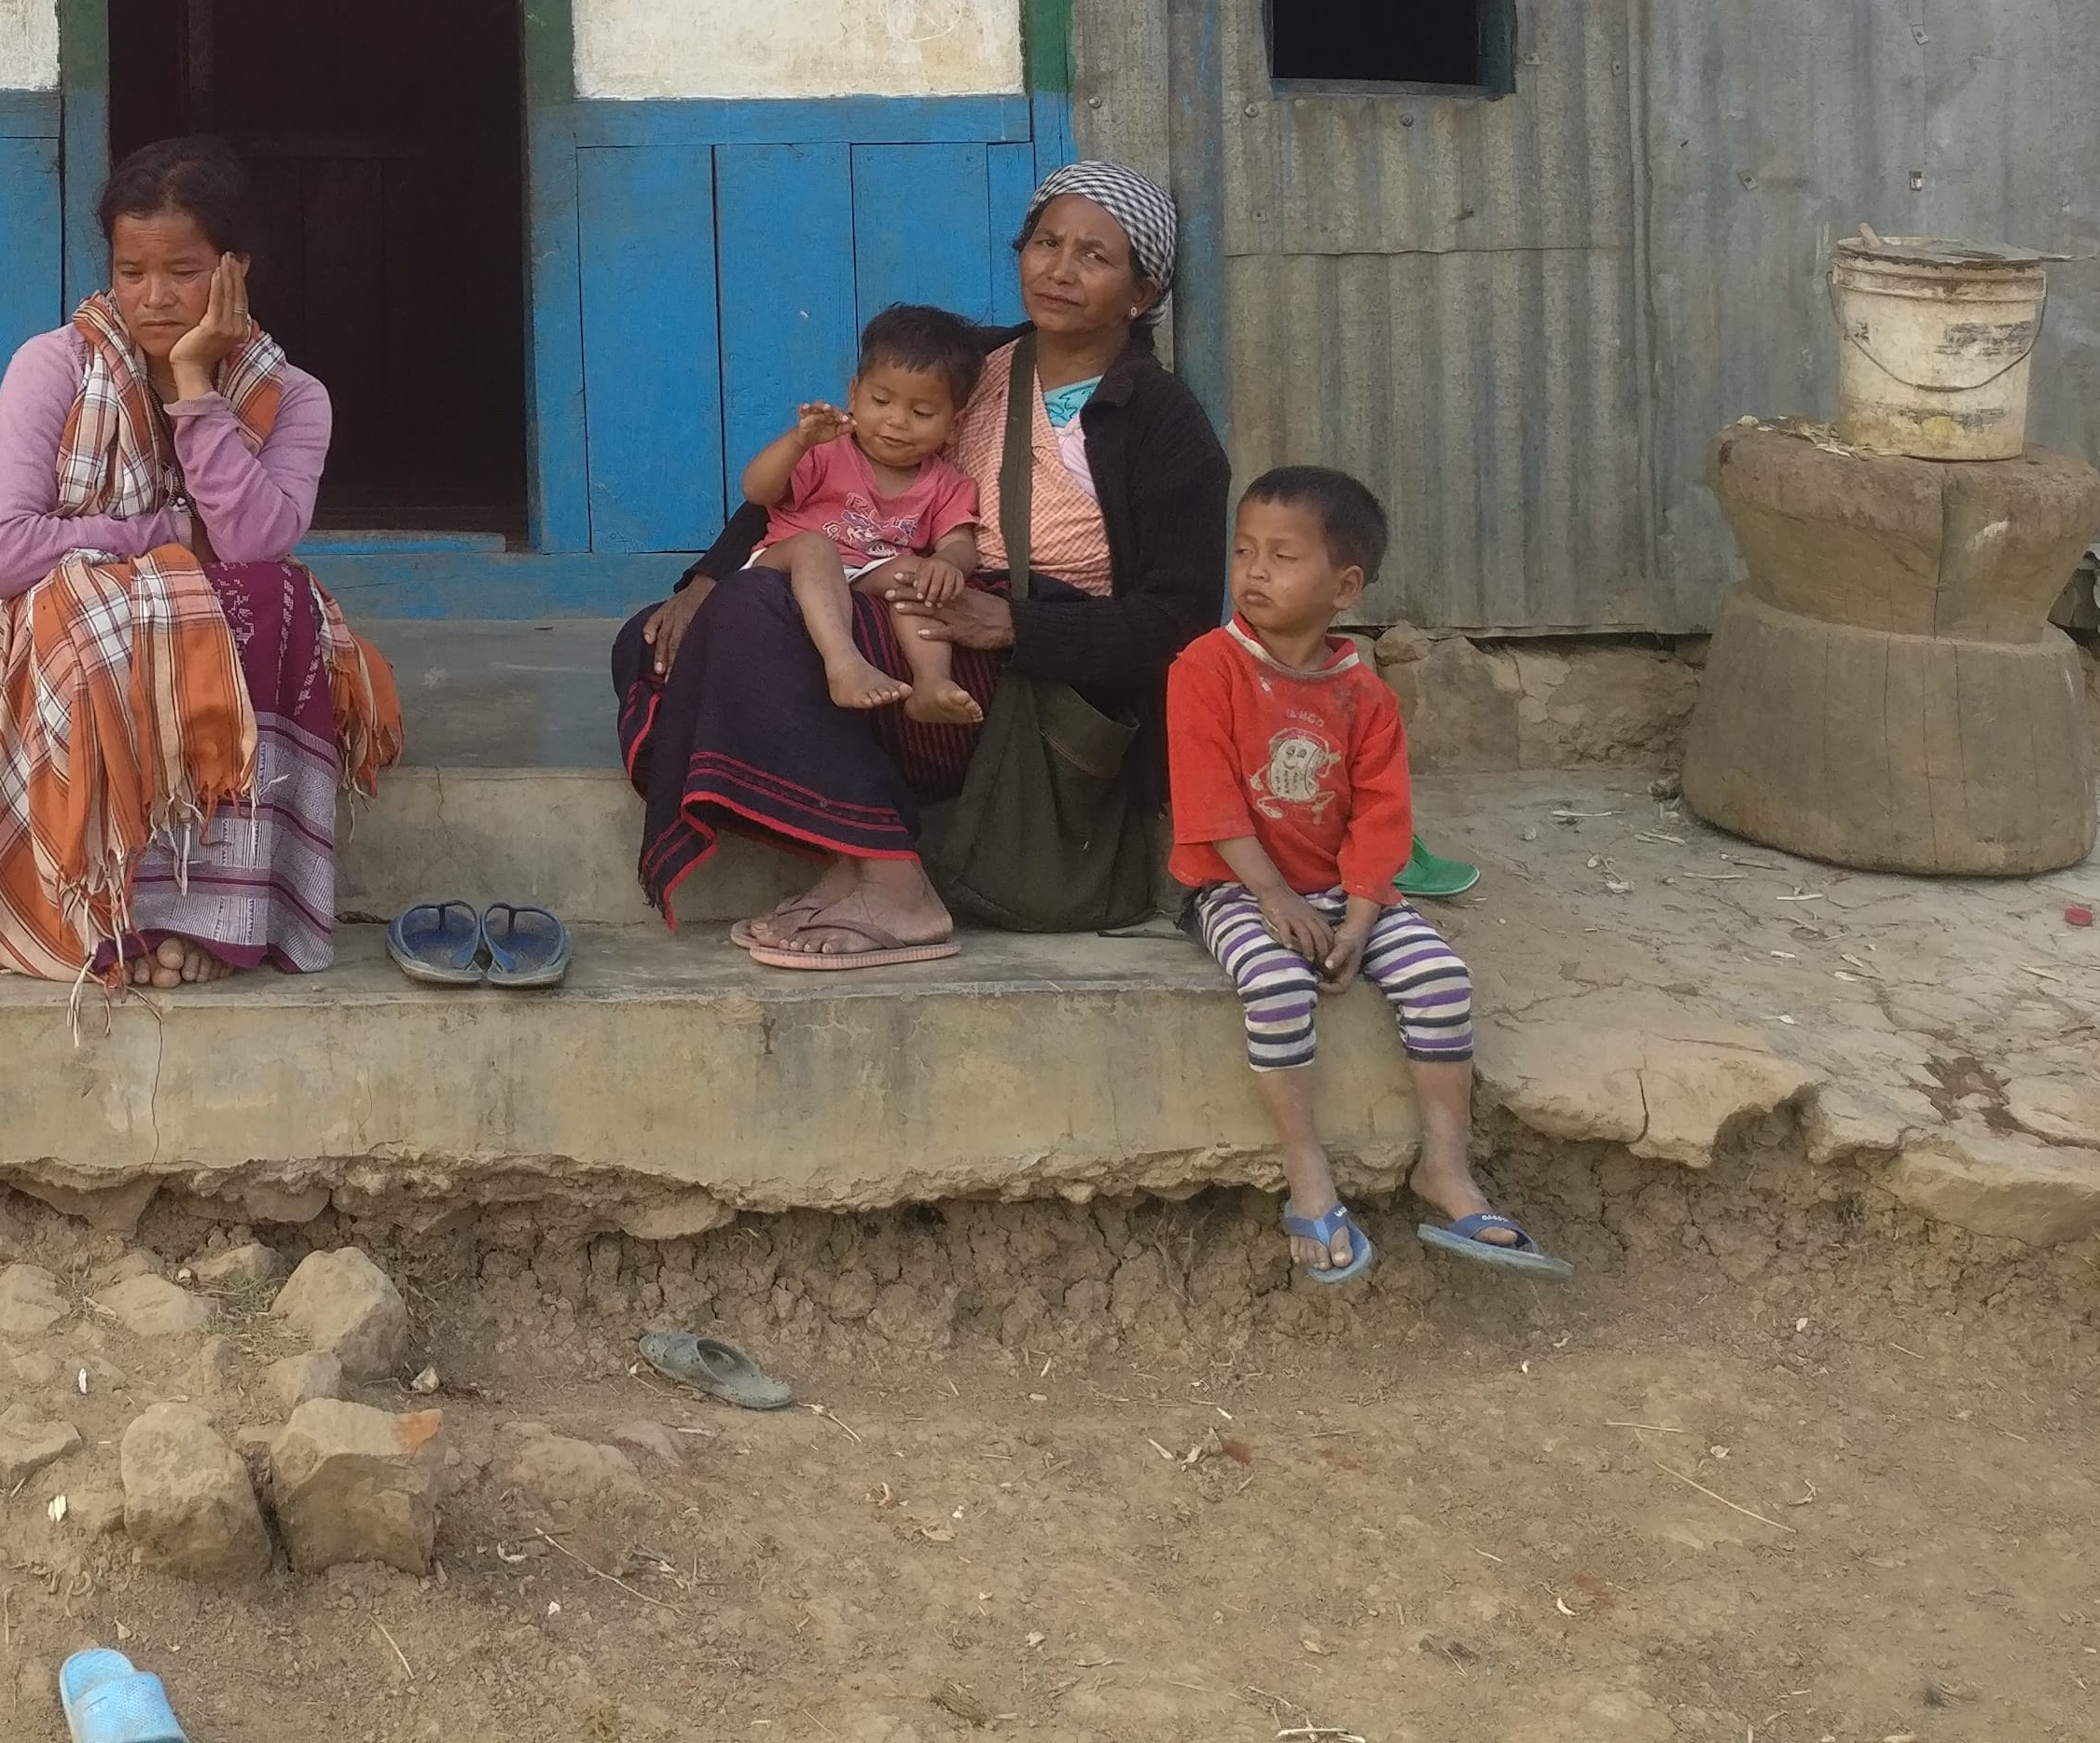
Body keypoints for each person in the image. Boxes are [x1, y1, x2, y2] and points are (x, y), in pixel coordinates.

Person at [615, 160, 1227, 965]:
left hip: (1016, 678)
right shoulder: (973, 365)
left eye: (1094, 256)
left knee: (755, 615)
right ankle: (847, 860)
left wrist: (1009, 622)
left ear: (1140, 294)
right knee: (653, 638)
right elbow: (817, 478)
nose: (1059, 269)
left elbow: (1178, 623)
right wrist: (703, 577)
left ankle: (898, 889)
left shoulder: (1160, 423)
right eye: (1045, 242)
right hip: (903, 607)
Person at [0, 134, 402, 986]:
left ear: (235, 270)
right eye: (133, 272)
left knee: (277, 601)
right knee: (98, 620)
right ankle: (111, 916)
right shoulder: (54, 366)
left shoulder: (293, 398)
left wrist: (196, 387)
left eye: (184, 270)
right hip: (54, 612)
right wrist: (163, 538)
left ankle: (223, 917)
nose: (155, 297)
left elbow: (252, 545)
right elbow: (4, 553)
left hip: (197, 610)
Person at [1170, 466, 1566, 1287]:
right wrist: (1273, 896)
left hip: (1344, 893)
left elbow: (1380, 823)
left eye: (1283, 556)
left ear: (1344, 585)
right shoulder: (1206, 668)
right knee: (1277, 988)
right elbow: (1208, 804)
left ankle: (1446, 1170)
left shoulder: (1366, 697)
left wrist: (1357, 921)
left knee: (1443, 979)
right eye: (1243, 550)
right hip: (1236, 886)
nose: (1253, 571)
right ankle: (1308, 1173)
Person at [736, 301, 991, 727]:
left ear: (955, 423)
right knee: (816, 547)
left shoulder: (948, 483)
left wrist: (947, 564)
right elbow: (756, 489)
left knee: (916, 576)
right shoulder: (826, 451)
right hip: (785, 562)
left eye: (922, 413)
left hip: (866, 572)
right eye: (881, 400)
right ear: (854, 393)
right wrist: (799, 442)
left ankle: (931, 682)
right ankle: (844, 664)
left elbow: (960, 543)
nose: (896, 421)